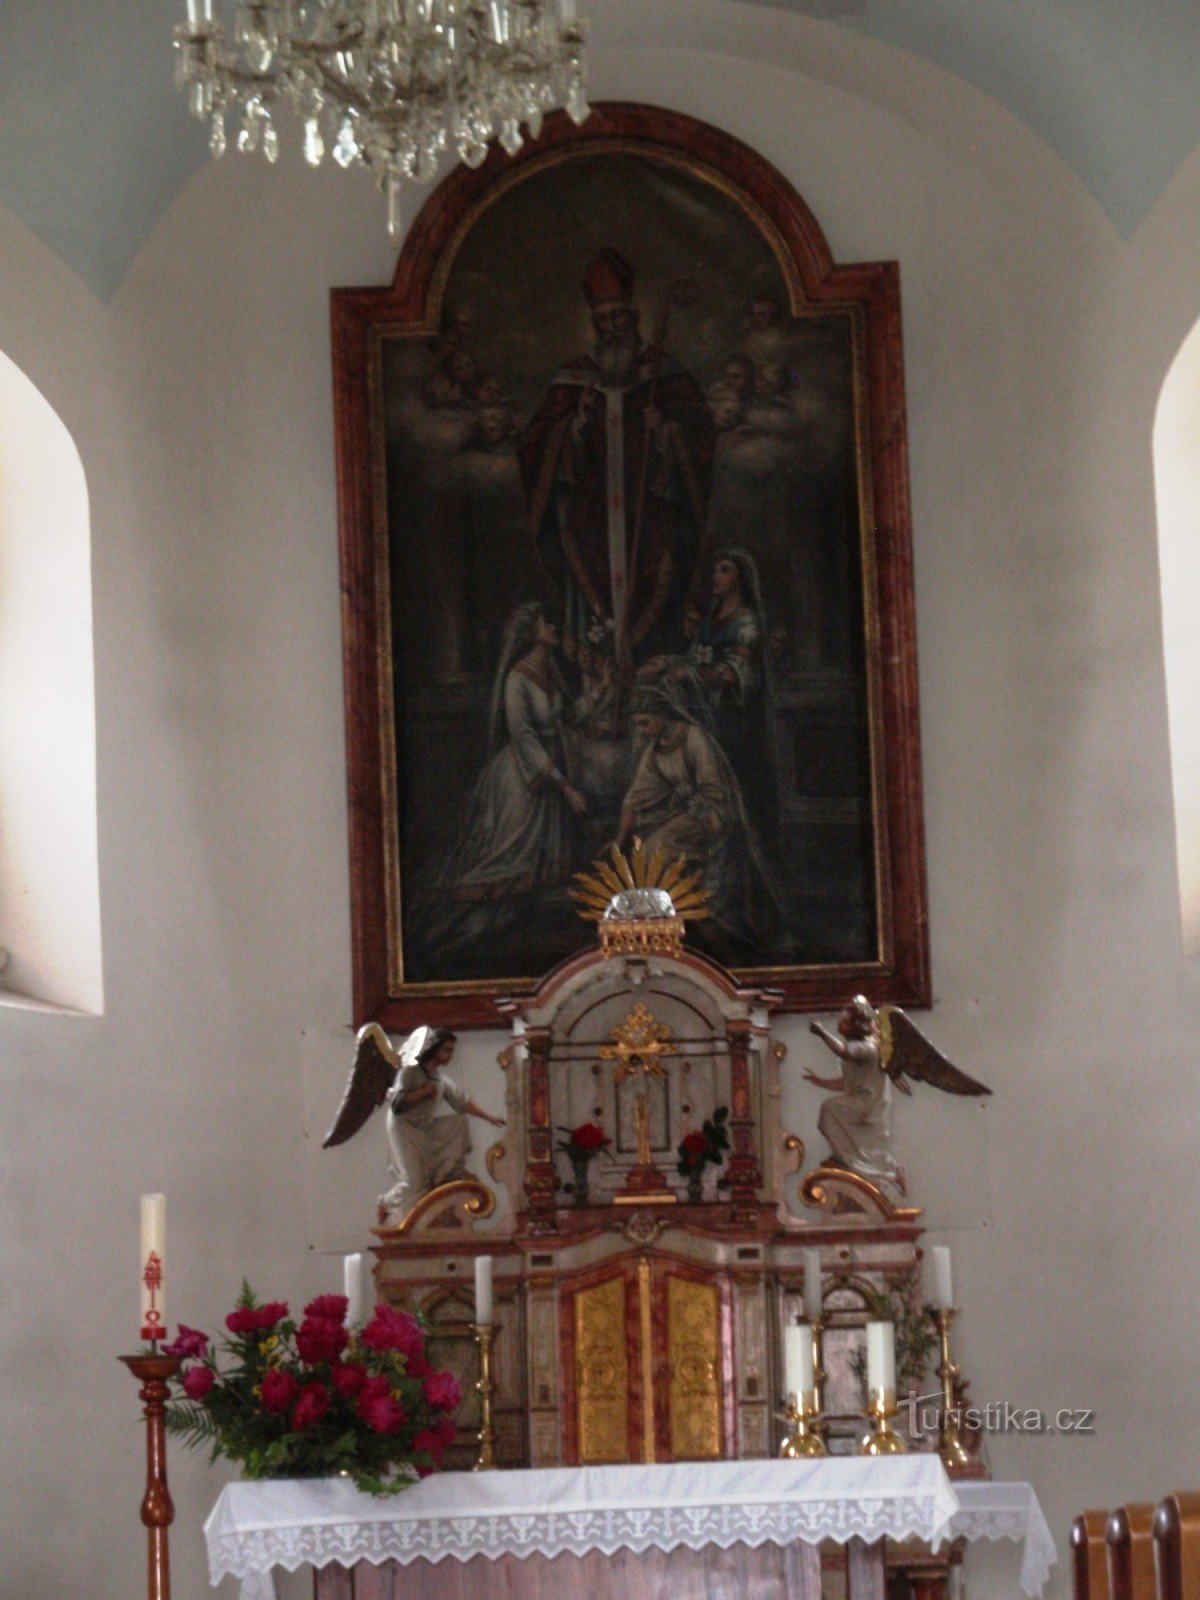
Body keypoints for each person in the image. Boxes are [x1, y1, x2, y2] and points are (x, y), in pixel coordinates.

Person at [519, 249, 714, 686]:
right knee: (591, 599)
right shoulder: (573, 378)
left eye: (618, 318)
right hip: (590, 522)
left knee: (657, 585)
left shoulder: (666, 375)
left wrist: (666, 431)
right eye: (602, 320)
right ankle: (595, 690)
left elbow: (701, 432)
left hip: (651, 517)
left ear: (634, 317)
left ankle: (652, 688)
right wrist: (574, 427)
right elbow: (535, 441)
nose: (611, 328)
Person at [421, 601, 588, 957]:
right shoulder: (517, 678)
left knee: (540, 866)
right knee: (508, 856)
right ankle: (467, 924)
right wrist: (564, 785)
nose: (554, 628)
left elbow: (569, 715)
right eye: (547, 623)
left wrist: (600, 692)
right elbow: (523, 736)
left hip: (552, 772)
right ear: (531, 632)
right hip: (524, 779)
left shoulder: (552, 669)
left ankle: (525, 931)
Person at [381, 1027, 505, 1219]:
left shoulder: (440, 1080)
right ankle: (387, 1203)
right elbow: (398, 1104)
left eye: (451, 1051)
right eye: (446, 1050)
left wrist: (489, 1117)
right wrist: (422, 1093)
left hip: (424, 1127)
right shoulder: (410, 1073)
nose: (450, 1055)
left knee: (458, 1122)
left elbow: (462, 1103)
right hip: (403, 1128)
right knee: (414, 1180)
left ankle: (442, 1176)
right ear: (434, 1049)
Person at [804, 997, 907, 1195]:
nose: (839, 1024)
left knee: (829, 1110)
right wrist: (820, 1081)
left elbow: (843, 1051)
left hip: (868, 1103)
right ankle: (859, 1165)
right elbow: (848, 1083)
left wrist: (822, 1033)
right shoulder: (860, 1048)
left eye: (844, 1021)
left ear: (856, 1025)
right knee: (833, 1114)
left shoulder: (868, 1048)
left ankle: (863, 1168)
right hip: (859, 1101)